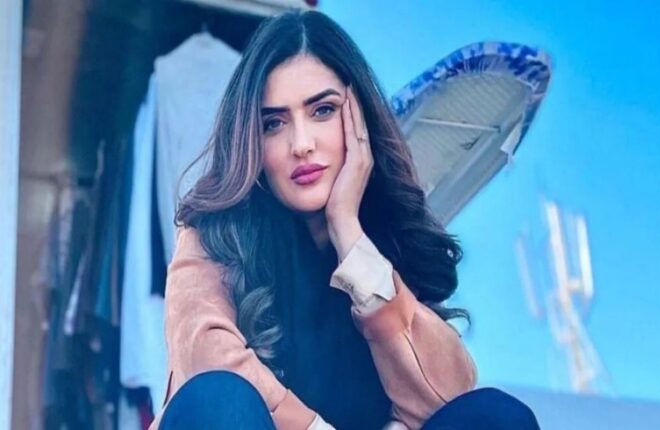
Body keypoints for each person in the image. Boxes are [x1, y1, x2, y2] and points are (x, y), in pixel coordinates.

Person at [149, 9, 539, 430]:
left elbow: (447, 396)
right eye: (274, 123)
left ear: (359, 118)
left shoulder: (387, 240)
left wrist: (350, 236)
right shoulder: (214, 235)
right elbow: (206, 357)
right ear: (252, 140)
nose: (301, 144)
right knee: (219, 398)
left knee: (496, 417)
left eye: (322, 110)